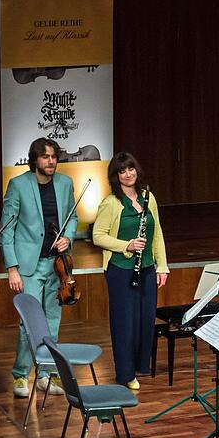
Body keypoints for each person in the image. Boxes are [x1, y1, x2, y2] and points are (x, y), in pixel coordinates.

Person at [0, 137, 77, 396]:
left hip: (58, 265)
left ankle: (46, 374)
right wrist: (12, 267)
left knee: (52, 322)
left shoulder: (65, 183)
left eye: (54, 156)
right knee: (29, 323)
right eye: (45, 156)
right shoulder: (18, 185)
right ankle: (21, 375)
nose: (51, 161)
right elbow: (7, 228)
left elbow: (72, 217)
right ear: (35, 159)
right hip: (29, 265)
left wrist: (69, 237)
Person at [93, 152, 169, 390]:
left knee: (145, 320)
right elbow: (97, 236)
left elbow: (157, 233)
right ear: (116, 176)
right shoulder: (111, 203)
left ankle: (139, 366)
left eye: (130, 169)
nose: (128, 174)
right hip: (120, 269)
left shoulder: (148, 197)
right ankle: (125, 374)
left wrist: (162, 265)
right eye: (122, 171)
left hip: (146, 267)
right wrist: (126, 245)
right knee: (124, 323)